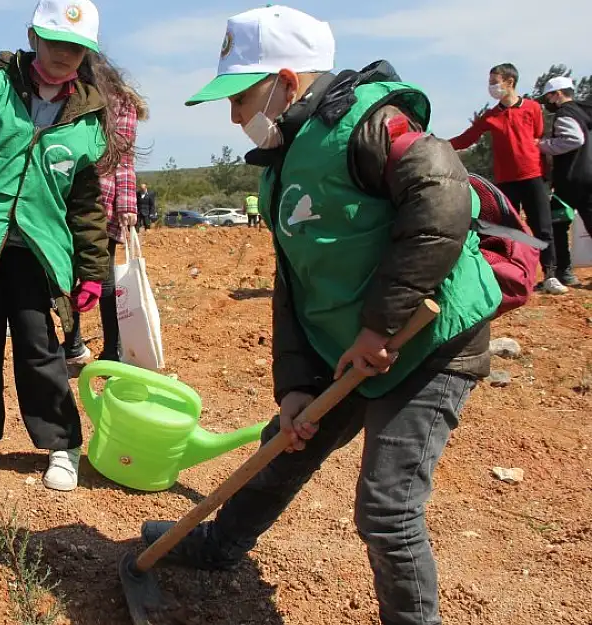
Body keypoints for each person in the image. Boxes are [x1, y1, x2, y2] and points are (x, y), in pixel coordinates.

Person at [140, 7, 502, 625]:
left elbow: (443, 198)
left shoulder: (372, 122)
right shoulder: (288, 157)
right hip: (351, 347)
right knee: (284, 445)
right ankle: (220, 547)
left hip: (427, 342)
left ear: (286, 80)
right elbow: (296, 286)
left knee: (387, 508)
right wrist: (297, 387)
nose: (234, 116)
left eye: (242, 97)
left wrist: (381, 325)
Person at [0, 0, 123, 492]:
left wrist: (91, 270)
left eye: (77, 46)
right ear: (33, 36)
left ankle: (62, 443)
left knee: (39, 345)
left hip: (39, 250)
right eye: (56, 41)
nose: (65, 53)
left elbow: (86, 205)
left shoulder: (88, 116)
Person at [450, 63, 566, 294]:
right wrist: (440, 144)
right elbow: (467, 139)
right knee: (507, 231)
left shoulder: (532, 108)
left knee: (542, 228)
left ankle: (550, 274)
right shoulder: (490, 116)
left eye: (495, 81)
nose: (491, 87)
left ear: (509, 82)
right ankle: (510, 276)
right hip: (505, 181)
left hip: (533, 176)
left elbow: (538, 137)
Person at [63, 51, 148, 366]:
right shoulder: (71, 96)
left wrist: (127, 207)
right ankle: (78, 345)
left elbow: (124, 158)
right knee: (75, 273)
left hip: (98, 201)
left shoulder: (118, 104)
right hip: (72, 199)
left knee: (97, 275)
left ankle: (109, 348)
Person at [539, 75, 592, 286]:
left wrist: (543, 145)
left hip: (571, 179)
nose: (547, 103)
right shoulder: (584, 111)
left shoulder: (565, 112)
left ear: (558, 94)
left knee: (557, 224)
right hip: (588, 176)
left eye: (548, 98)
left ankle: (564, 271)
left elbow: (573, 139)